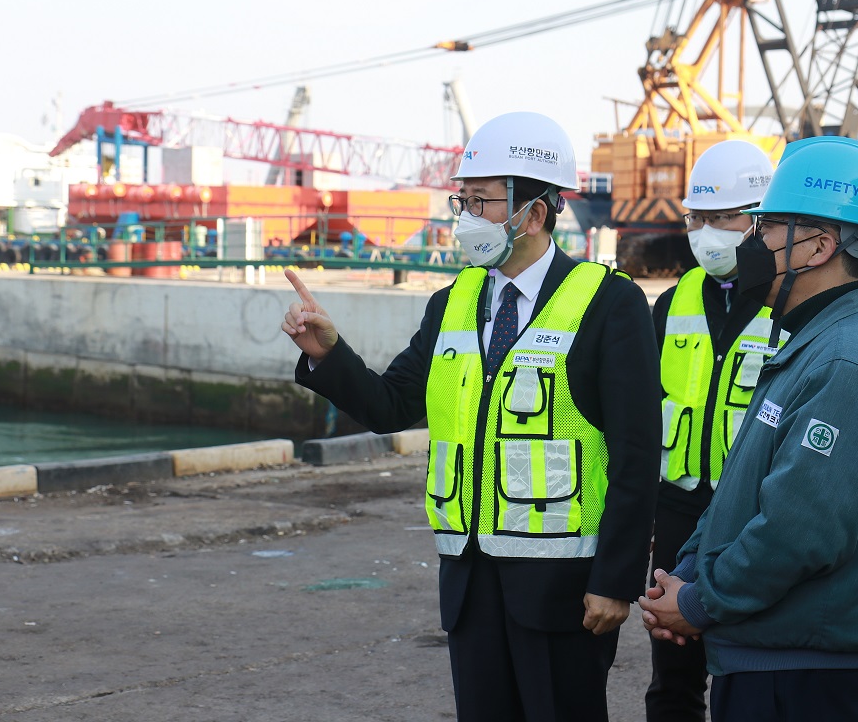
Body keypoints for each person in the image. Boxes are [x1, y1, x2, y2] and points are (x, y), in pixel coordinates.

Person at [282, 111, 660, 722]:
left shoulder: (610, 304)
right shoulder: (452, 301)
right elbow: (391, 405)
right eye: (463, 199)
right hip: (470, 587)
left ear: (534, 213)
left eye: (481, 202)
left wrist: (617, 580)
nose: (464, 218)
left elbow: (638, 451)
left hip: (564, 588)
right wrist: (328, 354)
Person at [639, 136, 858, 722]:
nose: (754, 243)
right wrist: (690, 572)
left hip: (802, 682)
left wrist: (696, 603)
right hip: (776, 665)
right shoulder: (814, 342)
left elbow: (797, 531)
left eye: (769, 228)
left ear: (819, 245)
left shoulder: (847, 364)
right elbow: (745, 488)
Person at [645, 139, 789, 722]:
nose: (707, 232)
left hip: (754, 518)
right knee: (673, 683)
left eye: (723, 217)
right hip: (677, 514)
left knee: (747, 673)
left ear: (761, 221)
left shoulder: (790, 305)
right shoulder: (671, 302)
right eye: (696, 218)